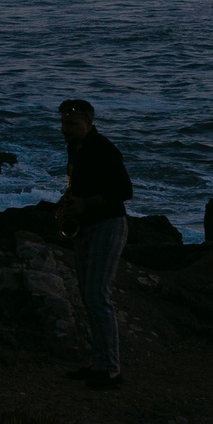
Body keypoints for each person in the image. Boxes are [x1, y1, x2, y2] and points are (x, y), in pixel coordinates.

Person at [57, 97, 132, 389]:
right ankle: (98, 363)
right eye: (63, 123)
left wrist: (85, 204)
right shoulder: (77, 147)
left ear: (88, 123)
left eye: (71, 124)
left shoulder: (103, 148)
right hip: (88, 227)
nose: (65, 129)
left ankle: (112, 371)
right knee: (89, 298)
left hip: (107, 226)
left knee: (98, 298)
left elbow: (125, 190)